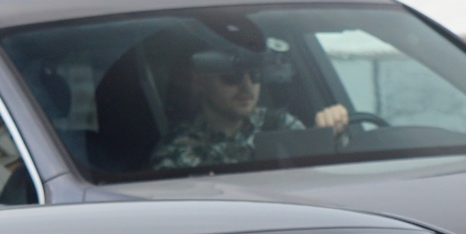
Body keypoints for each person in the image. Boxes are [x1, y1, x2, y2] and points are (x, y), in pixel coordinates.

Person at [149, 48, 349, 171]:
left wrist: (332, 133)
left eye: (254, 74)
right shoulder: (176, 155)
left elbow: (318, 177)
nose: (246, 86)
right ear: (200, 80)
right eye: (232, 76)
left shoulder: (280, 126)